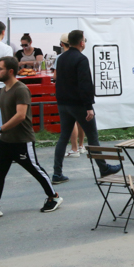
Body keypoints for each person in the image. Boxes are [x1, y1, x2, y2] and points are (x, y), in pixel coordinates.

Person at [0, 56, 62, 215]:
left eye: (0, 69)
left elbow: (20, 115)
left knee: (35, 169)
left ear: (10, 71)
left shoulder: (21, 89)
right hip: (5, 140)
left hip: (21, 140)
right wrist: (1, 133)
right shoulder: (3, 90)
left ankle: (54, 197)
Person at [52, 29, 120, 183]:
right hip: (79, 104)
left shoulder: (61, 59)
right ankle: (104, 168)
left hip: (63, 103)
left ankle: (57, 173)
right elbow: (85, 84)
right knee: (92, 137)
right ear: (81, 43)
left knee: (63, 137)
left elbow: (58, 81)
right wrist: (89, 106)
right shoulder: (81, 59)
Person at [53, 33, 86, 158]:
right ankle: (81, 145)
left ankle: (74, 148)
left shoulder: (60, 58)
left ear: (62, 44)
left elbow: (55, 76)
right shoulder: (81, 57)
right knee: (80, 121)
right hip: (79, 95)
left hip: (66, 94)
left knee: (71, 122)